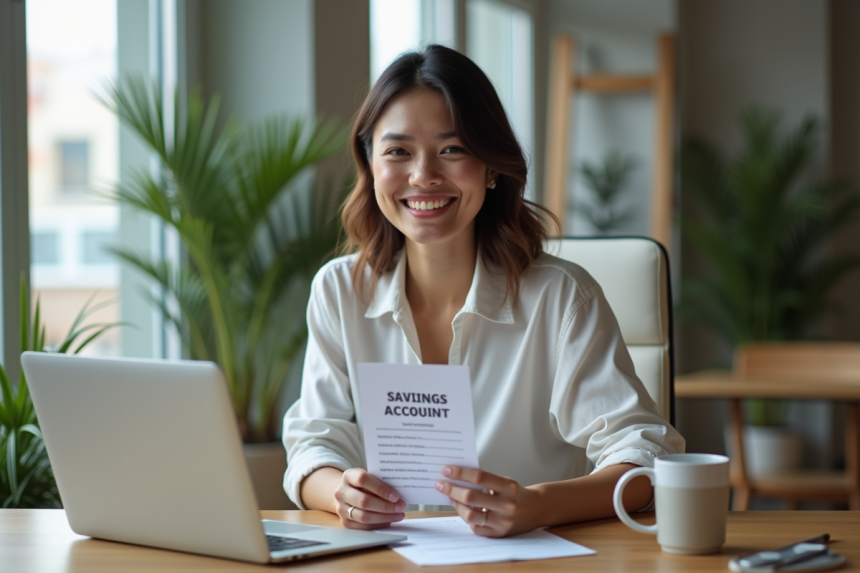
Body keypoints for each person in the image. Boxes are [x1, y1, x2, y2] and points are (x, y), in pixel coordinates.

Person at [283, 44, 684, 538]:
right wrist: (341, 494)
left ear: (493, 166)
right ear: (369, 164)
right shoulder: (340, 290)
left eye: (452, 149)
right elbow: (312, 444)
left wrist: (538, 506)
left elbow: (644, 460)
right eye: (397, 151)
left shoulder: (561, 298)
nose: (423, 175)